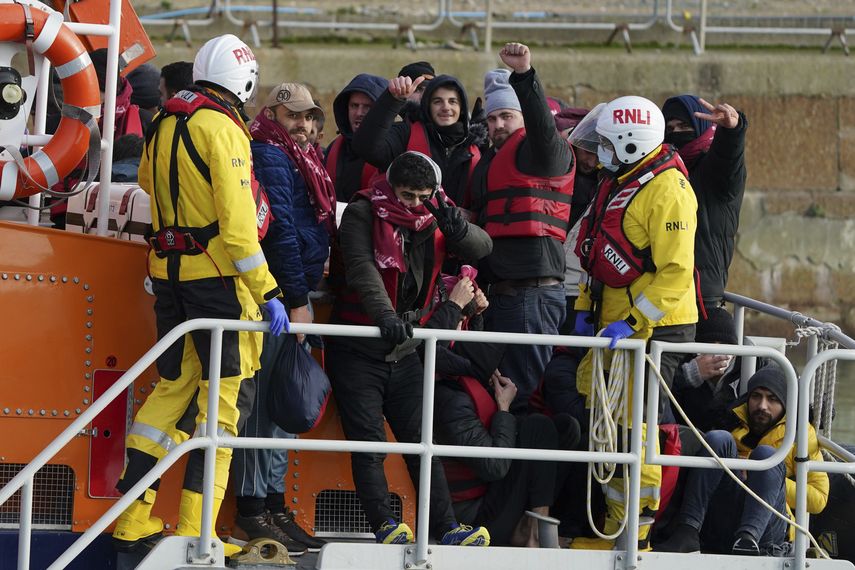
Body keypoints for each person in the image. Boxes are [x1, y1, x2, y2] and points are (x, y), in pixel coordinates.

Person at [110, 35, 288, 557]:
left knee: (170, 393)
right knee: (221, 412)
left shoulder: (164, 121)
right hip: (217, 286)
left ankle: (133, 518)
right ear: (245, 82)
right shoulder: (225, 130)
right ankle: (198, 531)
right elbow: (238, 232)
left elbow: (146, 180)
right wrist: (269, 292)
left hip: (169, 278)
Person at [326, 151, 492, 546]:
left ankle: (448, 529)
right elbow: (364, 269)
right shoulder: (362, 212)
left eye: (422, 196)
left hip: (407, 353)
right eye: (406, 196)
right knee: (369, 445)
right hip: (359, 346)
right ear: (389, 186)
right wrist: (384, 317)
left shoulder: (437, 212)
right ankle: (385, 525)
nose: (414, 204)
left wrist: (457, 229)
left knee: (423, 445)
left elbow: (483, 248)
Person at [571, 94, 698, 550]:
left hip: (655, 327)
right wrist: (587, 305)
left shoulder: (669, 190)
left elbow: (676, 273)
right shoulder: (622, 180)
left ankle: (634, 536)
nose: (598, 151)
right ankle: (614, 525)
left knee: (638, 431)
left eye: (606, 143)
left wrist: (632, 322)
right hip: (615, 325)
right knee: (610, 428)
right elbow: (599, 257)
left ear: (629, 142)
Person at [229, 82, 336, 554]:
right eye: (294, 115)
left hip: (288, 292)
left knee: (278, 411)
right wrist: (295, 297)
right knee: (265, 411)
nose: (305, 125)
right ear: (272, 112)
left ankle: (272, 505)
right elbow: (281, 233)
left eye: (310, 117)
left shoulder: (294, 154)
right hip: (272, 299)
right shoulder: (269, 152)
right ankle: (253, 511)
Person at [468, 43, 574, 413]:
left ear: (524, 118)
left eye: (507, 117)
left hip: (533, 295)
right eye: (492, 118)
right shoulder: (490, 162)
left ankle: (527, 467)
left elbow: (544, 128)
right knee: (501, 391)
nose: (498, 125)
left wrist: (525, 75)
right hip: (500, 296)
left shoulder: (544, 152)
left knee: (524, 394)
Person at [658, 366, 829, 555]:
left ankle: (748, 540)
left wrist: (760, 475)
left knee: (766, 455)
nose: (762, 405)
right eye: (756, 396)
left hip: (768, 531)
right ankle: (687, 530)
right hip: (721, 519)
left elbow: (819, 498)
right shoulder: (730, 420)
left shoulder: (801, 434)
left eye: (772, 399)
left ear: (786, 404)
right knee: (718, 438)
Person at [434, 339, 580, 547]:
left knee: (565, 428)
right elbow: (495, 467)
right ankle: (534, 533)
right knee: (537, 426)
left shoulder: (469, 386)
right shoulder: (450, 400)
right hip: (474, 520)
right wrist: (504, 408)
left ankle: (532, 524)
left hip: (492, 497)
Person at [661, 95, 747, 317]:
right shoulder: (662, 171)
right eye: (670, 128)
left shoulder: (713, 171)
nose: (676, 133)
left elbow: (728, 157)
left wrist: (732, 131)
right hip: (661, 292)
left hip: (703, 296)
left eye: (684, 126)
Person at [352, 72, 484, 208]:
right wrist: (392, 100)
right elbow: (366, 147)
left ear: (461, 109)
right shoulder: (405, 133)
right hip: (405, 226)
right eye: (437, 101)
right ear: (427, 106)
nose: (446, 107)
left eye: (452, 101)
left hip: (457, 228)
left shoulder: (475, 146)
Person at [555, 104, 603, 335]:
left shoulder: (608, 182)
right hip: (558, 285)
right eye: (587, 152)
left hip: (585, 289)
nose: (591, 162)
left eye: (598, 154)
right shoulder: (559, 172)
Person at [325, 73, 388, 202]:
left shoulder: (392, 149)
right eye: (354, 106)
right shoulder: (333, 149)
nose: (359, 113)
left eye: (367, 107)